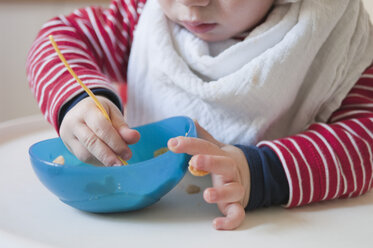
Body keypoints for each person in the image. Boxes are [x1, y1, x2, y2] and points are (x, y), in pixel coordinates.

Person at [26, 0, 373, 230]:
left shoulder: (340, 39)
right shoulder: (144, 16)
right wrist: (79, 100)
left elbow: (365, 140)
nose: (193, 2)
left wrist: (260, 173)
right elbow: (58, 37)